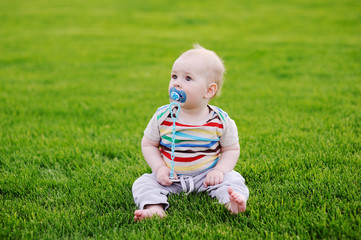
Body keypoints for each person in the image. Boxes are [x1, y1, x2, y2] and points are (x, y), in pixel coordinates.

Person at [132, 44, 249, 221]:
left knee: (233, 178)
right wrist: (159, 168)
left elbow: (231, 149)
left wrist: (219, 171)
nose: (177, 82)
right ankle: (155, 208)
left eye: (188, 78)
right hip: (171, 177)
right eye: (174, 76)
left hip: (207, 176)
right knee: (143, 183)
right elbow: (148, 144)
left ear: (209, 90)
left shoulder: (220, 120)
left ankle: (231, 203)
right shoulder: (163, 116)